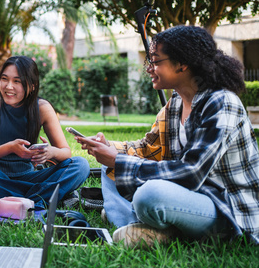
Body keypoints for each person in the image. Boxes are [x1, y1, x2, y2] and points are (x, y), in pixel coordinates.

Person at [77, 25, 259, 248]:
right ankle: (146, 226)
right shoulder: (176, 104)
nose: (149, 69)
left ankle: (158, 229)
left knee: (150, 195)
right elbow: (147, 146)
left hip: (226, 208)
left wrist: (118, 160)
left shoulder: (221, 103)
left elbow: (190, 172)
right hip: (188, 197)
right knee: (110, 169)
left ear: (182, 63)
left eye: (155, 61)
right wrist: (109, 149)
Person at [0, 56, 90, 210]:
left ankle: (17, 203)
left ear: (32, 86)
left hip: (30, 178)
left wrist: (51, 152)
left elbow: (66, 152)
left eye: (17, 81)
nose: (8, 86)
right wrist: (10, 148)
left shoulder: (42, 108)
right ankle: (41, 201)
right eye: (4, 79)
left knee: (81, 165)